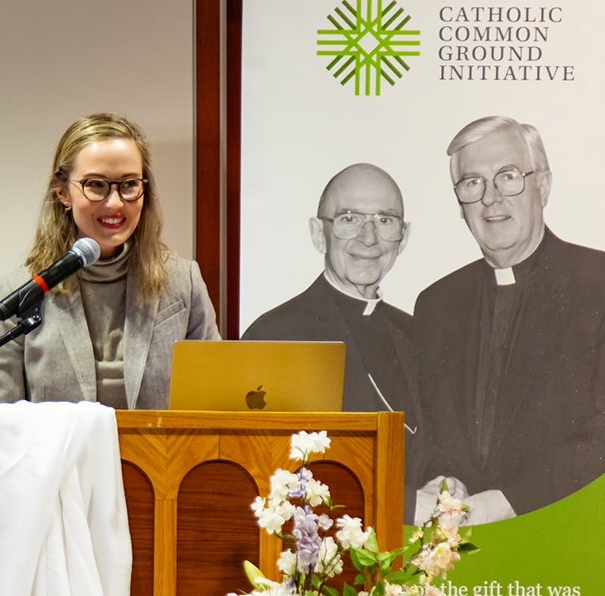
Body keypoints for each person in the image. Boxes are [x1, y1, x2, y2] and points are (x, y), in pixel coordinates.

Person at [413, 115, 605, 519]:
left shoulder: (598, 284)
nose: (490, 198)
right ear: (459, 202)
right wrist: (445, 483)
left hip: (572, 538)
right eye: (472, 183)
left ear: (544, 185)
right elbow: (433, 434)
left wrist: (509, 501)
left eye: (508, 176)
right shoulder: (436, 304)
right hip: (463, 556)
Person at [0, 113, 220, 410]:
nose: (115, 203)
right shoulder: (21, 291)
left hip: (161, 457)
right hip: (60, 458)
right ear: (63, 192)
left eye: (129, 184)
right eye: (96, 184)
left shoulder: (184, 282)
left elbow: (213, 407)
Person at [242, 163, 420, 437]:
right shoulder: (271, 337)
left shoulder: (415, 334)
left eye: (385, 220)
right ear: (318, 235)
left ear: (403, 238)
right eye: (349, 219)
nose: (369, 238)